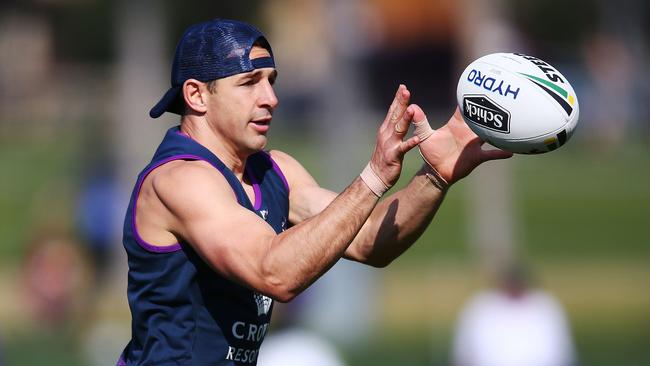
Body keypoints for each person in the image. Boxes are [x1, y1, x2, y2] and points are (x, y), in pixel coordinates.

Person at [116, 18, 512, 366]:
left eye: (271, 81)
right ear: (197, 95)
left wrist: (435, 177)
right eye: (249, 83)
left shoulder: (275, 172)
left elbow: (371, 240)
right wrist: (373, 177)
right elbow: (274, 273)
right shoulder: (180, 180)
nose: (270, 98)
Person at [451, 265, 576, 366]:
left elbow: (562, 353)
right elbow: (464, 354)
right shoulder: (481, 307)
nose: (514, 287)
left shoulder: (545, 306)